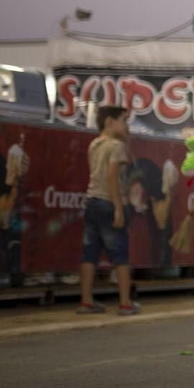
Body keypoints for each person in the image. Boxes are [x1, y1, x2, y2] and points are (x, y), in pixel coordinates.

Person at [76, 106, 138, 315]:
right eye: (123, 121)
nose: (126, 126)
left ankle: (86, 301)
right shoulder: (116, 146)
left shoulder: (94, 144)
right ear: (110, 122)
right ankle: (125, 302)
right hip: (109, 202)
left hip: (91, 201)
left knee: (89, 254)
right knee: (120, 254)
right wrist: (118, 207)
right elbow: (112, 177)